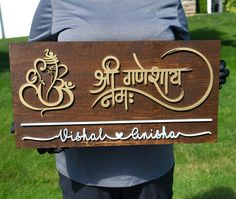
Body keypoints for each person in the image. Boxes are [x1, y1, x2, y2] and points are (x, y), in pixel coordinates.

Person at [12, 0, 230, 198]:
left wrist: (204, 76)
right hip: (84, 175)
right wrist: (35, 122)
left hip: (153, 168)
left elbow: (184, 61)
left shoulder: (169, 1)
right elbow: (34, 63)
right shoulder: (56, 2)